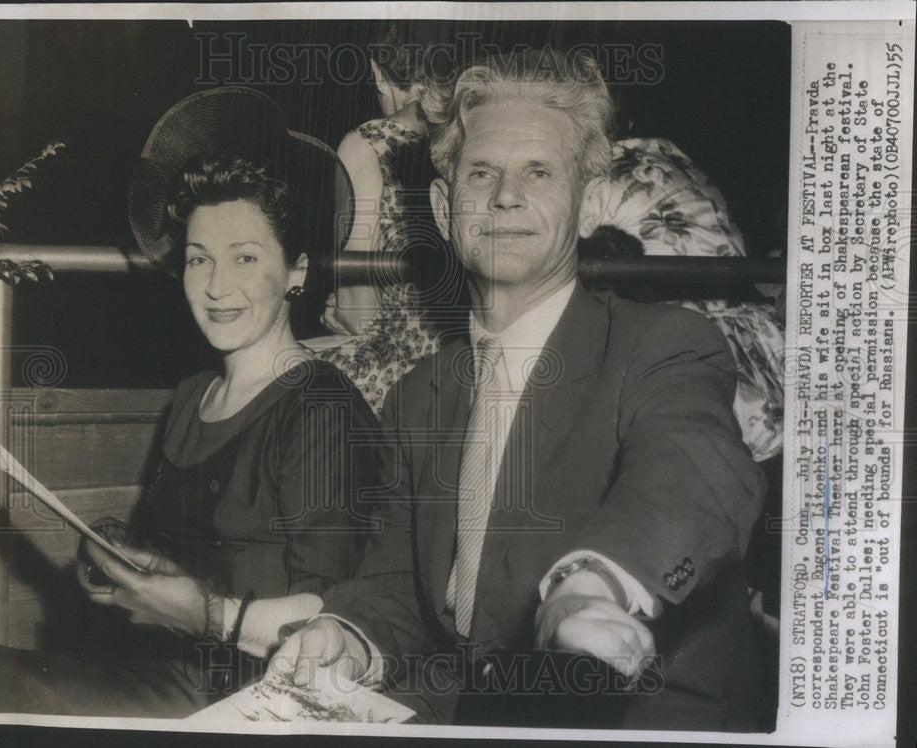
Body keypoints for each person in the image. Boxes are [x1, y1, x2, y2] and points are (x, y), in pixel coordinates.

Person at [271, 50, 767, 730]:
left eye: (539, 172)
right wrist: (348, 636)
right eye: (482, 173)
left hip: (638, 714)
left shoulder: (661, 343)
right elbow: (398, 589)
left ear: (589, 203)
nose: (506, 196)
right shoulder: (420, 393)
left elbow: (697, 473)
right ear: (445, 210)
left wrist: (590, 588)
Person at [0, 87, 379, 717]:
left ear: (297, 272)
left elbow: (335, 614)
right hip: (149, 668)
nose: (216, 286)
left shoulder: (319, 408)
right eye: (199, 259)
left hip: (241, 697)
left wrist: (202, 613)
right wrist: (130, 564)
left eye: (245, 257)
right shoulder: (192, 396)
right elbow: (190, 559)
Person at [313, 24, 443, 414]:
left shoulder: (369, 142)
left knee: (274, 380)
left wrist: (339, 310)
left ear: (378, 73)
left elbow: (359, 313)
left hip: (402, 366)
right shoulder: (471, 131)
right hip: (465, 355)